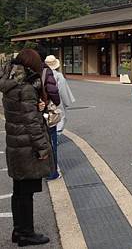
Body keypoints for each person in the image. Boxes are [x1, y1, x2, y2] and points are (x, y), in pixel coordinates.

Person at [1, 49, 53, 246]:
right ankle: (26, 233)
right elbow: (31, 123)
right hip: (27, 149)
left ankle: (18, 231)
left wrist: (35, 107)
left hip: (16, 145)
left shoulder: (11, 85)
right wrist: (42, 148)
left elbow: (21, 114)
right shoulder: (26, 88)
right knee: (26, 194)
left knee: (19, 191)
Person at [36, 47, 61, 181]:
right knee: (51, 141)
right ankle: (52, 172)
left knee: (37, 141)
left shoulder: (28, 70)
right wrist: (54, 104)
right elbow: (54, 92)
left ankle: (41, 170)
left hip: (31, 112)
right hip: (45, 111)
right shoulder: (47, 71)